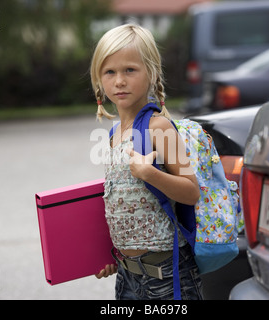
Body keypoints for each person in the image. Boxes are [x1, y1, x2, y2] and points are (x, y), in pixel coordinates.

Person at [89, 24, 203, 300]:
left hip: (167, 275)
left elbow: (191, 191)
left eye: (130, 70)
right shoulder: (115, 134)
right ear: (99, 81)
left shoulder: (158, 127)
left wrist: (150, 174)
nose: (119, 81)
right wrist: (109, 255)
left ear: (151, 73)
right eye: (110, 72)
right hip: (128, 276)